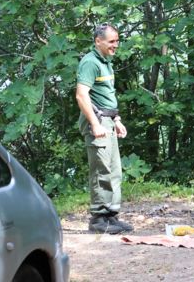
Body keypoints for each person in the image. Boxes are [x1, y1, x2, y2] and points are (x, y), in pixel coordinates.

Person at [75, 23, 133, 234]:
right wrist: (95, 123)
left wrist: (116, 120)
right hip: (97, 122)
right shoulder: (90, 62)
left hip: (108, 121)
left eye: (117, 41)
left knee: (114, 169)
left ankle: (111, 216)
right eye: (111, 41)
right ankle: (99, 219)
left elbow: (105, 96)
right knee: (101, 170)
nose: (115, 45)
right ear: (98, 41)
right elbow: (81, 95)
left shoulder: (105, 62)